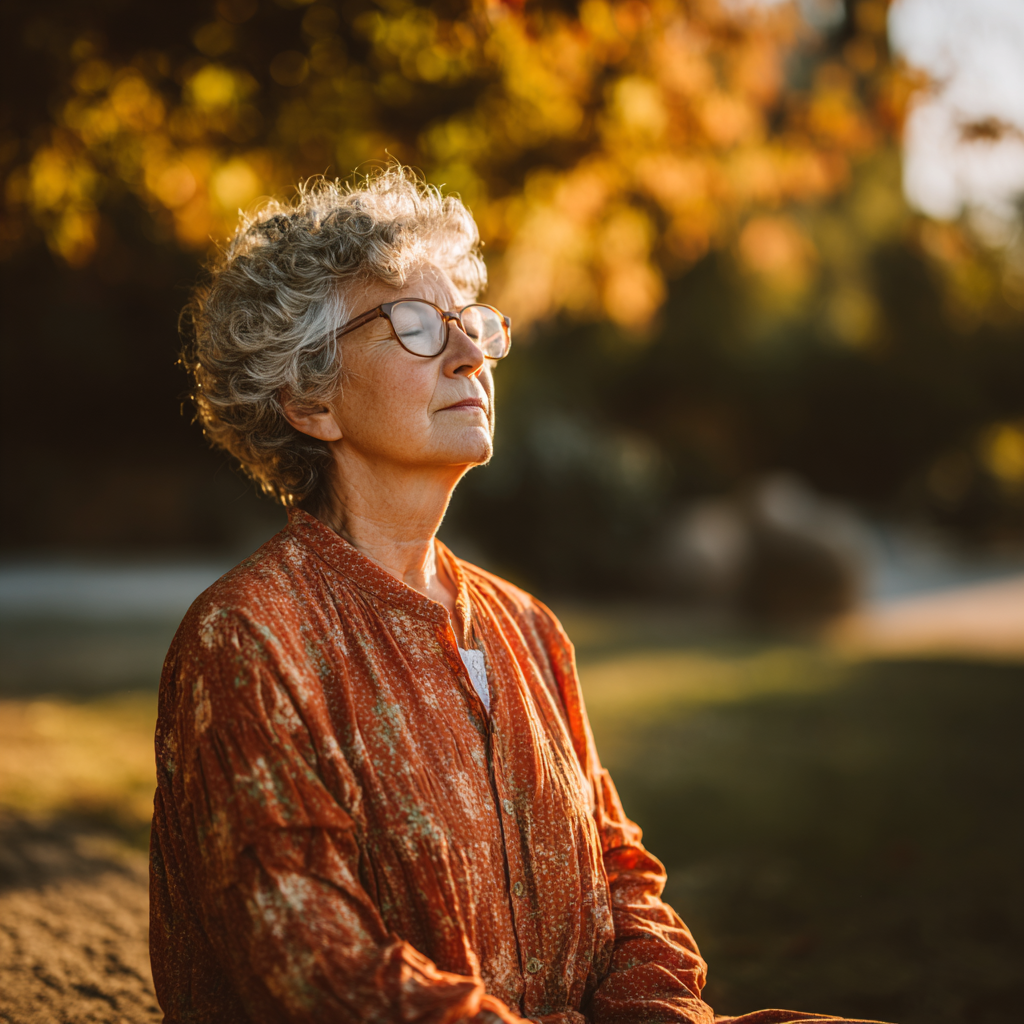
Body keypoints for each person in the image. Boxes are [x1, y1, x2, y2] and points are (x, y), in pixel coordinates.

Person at [150, 167, 887, 1024]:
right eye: (418, 327)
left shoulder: (528, 625)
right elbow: (313, 971)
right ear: (309, 398)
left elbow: (623, 873)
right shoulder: (250, 637)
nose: (469, 352)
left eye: (470, 325)